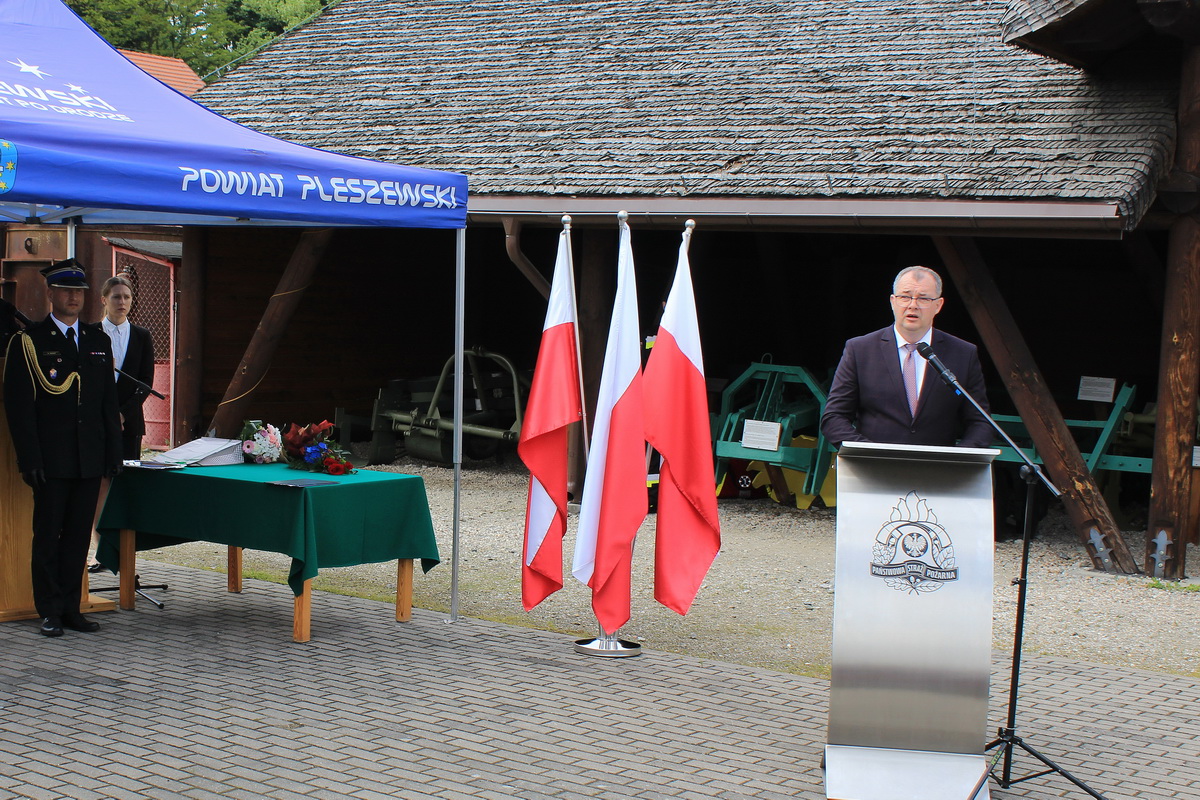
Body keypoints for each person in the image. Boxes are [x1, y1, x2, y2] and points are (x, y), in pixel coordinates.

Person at [4, 258, 122, 637]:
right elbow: (20, 408)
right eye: (66, 291)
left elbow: (107, 404)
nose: (74, 298)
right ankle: (50, 610)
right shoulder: (30, 341)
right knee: (48, 536)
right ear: (50, 293)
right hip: (51, 459)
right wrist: (30, 458)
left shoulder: (97, 340)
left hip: (89, 457)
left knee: (77, 537)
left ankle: (72, 608)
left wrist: (113, 454)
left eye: (79, 291)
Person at [820, 265, 993, 449]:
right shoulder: (860, 350)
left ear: (938, 305)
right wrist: (868, 453)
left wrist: (956, 459)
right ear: (892, 301)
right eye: (905, 297)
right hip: (873, 463)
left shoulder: (963, 353)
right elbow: (834, 417)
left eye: (923, 298)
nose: (913, 305)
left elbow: (980, 421)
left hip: (937, 465)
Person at [87, 274, 155, 570]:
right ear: (104, 300)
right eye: (116, 297)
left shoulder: (142, 335)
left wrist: (123, 413)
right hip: (95, 423)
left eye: (127, 297)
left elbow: (146, 381)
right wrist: (104, 414)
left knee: (124, 483)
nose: (122, 302)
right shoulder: (89, 333)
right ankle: (100, 549)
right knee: (99, 484)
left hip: (129, 423)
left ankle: (125, 551)